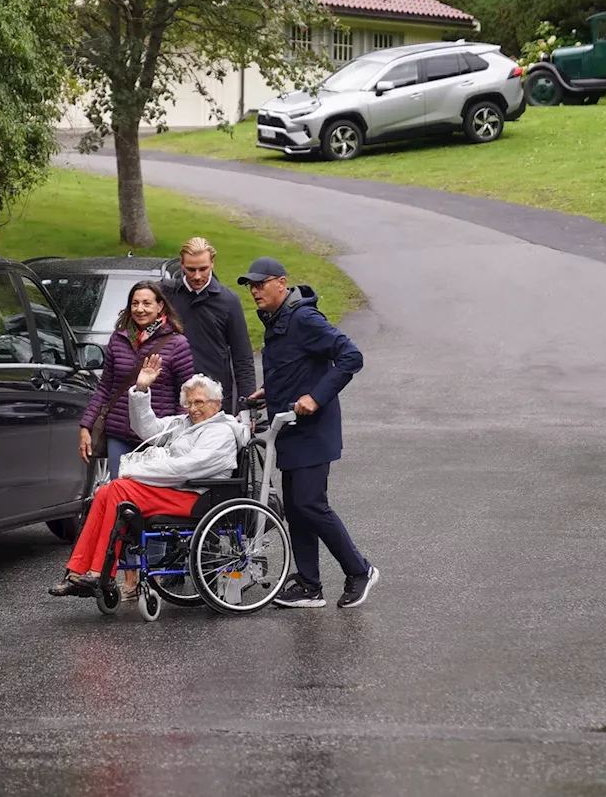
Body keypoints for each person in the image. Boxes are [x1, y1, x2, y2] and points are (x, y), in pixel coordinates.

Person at [238, 256, 379, 609]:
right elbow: (296, 366)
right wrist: (271, 391)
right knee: (297, 509)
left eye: (260, 283)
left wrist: (316, 397)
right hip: (290, 429)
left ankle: (360, 571)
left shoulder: (303, 318)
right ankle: (309, 584)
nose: (254, 291)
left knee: (310, 504)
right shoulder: (275, 321)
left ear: (281, 284)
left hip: (314, 431)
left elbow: (351, 357)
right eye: (250, 286)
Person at [50, 360, 247, 597]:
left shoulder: (221, 432)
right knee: (105, 491)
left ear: (216, 404)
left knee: (120, 489)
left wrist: (136, 472)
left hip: (199, 496)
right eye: (189, 403)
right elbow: (148, 429)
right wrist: (141, 390)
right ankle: (77, 570)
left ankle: (99, 572)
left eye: (199, 402)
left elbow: (184, 469)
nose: (193, 409)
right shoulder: (185, 424)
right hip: (179, 490)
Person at [78, 280, 194, 478]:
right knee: (119, 495)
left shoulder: (177, 343)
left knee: (148, 500)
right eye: (135, 303)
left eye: (147, 303)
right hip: (119, 435)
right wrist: (86, 426)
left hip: (157, 439)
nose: (140, 309)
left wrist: (177, 435)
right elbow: (105, 388)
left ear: (160, 306)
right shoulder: (118, 339)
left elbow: (186, 395)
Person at [162, 237, 256, 416]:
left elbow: (242, 358)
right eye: (191, 269)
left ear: (212, 263)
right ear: (181, 264)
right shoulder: (167, 296)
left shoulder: (229, 301)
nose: (197, 276)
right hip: (173, 400)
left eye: (203, 269)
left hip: (214, 402)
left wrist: (247, 409)